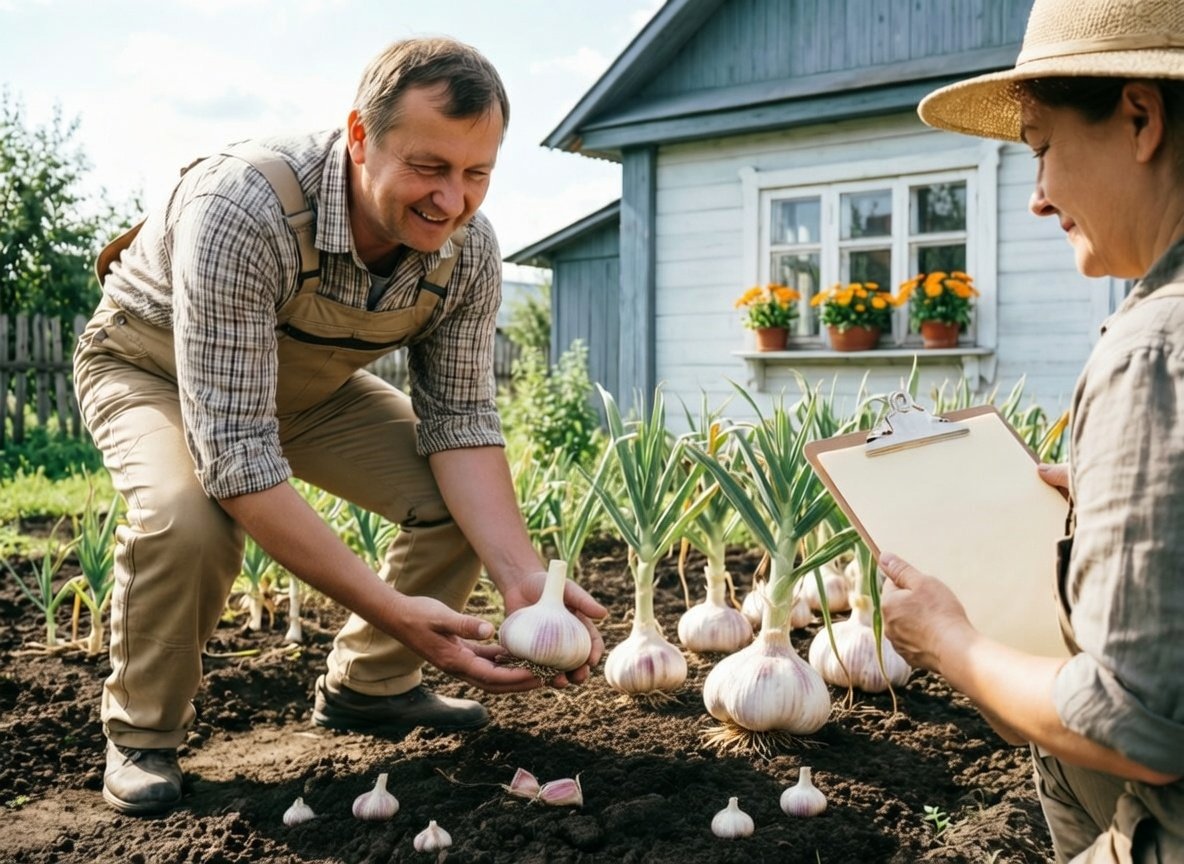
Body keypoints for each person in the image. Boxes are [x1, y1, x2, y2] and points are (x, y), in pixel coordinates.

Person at [73, 36, 606, 817]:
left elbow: (460, 419)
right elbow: (238, 458)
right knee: (188, 519)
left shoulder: (468, 252)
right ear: (360, 135)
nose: (451, 201)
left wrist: (521, 574)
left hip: (309, 390)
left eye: (476, 174)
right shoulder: (243, 207)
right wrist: (394, 608)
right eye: (428, 167)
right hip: (154, 371)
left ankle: (372, 688)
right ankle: (144, 734)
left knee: (462, 506)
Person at [878, 0, 1184, 860]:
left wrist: (950, 641)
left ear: (1139, 118)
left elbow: (1133, 729)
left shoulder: (1156, 346)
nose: (1039, 198)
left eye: (1043, 147)